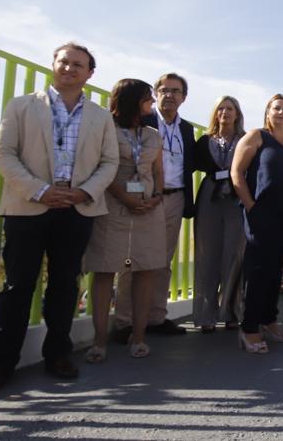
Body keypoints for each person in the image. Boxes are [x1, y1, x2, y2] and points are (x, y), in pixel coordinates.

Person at [0, 43, 118, 392]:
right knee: (17, 286)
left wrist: (84, 192)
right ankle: (1, 363)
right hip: (29, 206)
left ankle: (57, 353)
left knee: (65, 284)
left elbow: (109, 162)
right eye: (64, 62)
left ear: (90, 73)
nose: (70, 68)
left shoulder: (101, 116)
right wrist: (40, 190)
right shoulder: (21, 106)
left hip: (76, 206)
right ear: (53, 65)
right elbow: (3, 153)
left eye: (78, 65)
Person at [83, 79, 165, 361]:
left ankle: (139, 338)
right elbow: (100, 168)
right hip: (112, 206)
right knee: (105, 270)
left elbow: (158, 171)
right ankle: (99, 341)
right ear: (131, 99)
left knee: (145, 269)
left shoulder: (153, 134)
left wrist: (157, 197)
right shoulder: (106, 129)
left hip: (148, 210)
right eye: (147, 98)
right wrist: (125, 197)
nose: (152, 103)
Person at [113, 72, 195, 341]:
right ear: (155, 94)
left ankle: (156, 317)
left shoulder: (186, 129)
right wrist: (139, 195)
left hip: (174, 197)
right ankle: (124, 322)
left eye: (176, 91)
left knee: (162, 260)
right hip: (142, 198)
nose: (169, 95)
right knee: (131, 258)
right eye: (164, 90)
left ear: (184, 98)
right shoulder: (143, 120)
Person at [231, 94, 283, 354]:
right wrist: (251, 207)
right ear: (268, 112)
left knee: (276, 268)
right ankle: (250, 328)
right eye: (276, 108)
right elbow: (236, 172)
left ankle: (269, 318)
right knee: (258, 270)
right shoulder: (257, 136)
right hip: (262, 213)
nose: (281, 112)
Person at [191, 95, 246, 332]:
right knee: (207, 256)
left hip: (236, 200)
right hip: (209, 198)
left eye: (230, 108)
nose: (225, 112)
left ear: (237, 113)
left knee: (234, 255)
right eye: (221, 108)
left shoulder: (245, 140)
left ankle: (232, 312)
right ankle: (206, 315)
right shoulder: (203, 141)